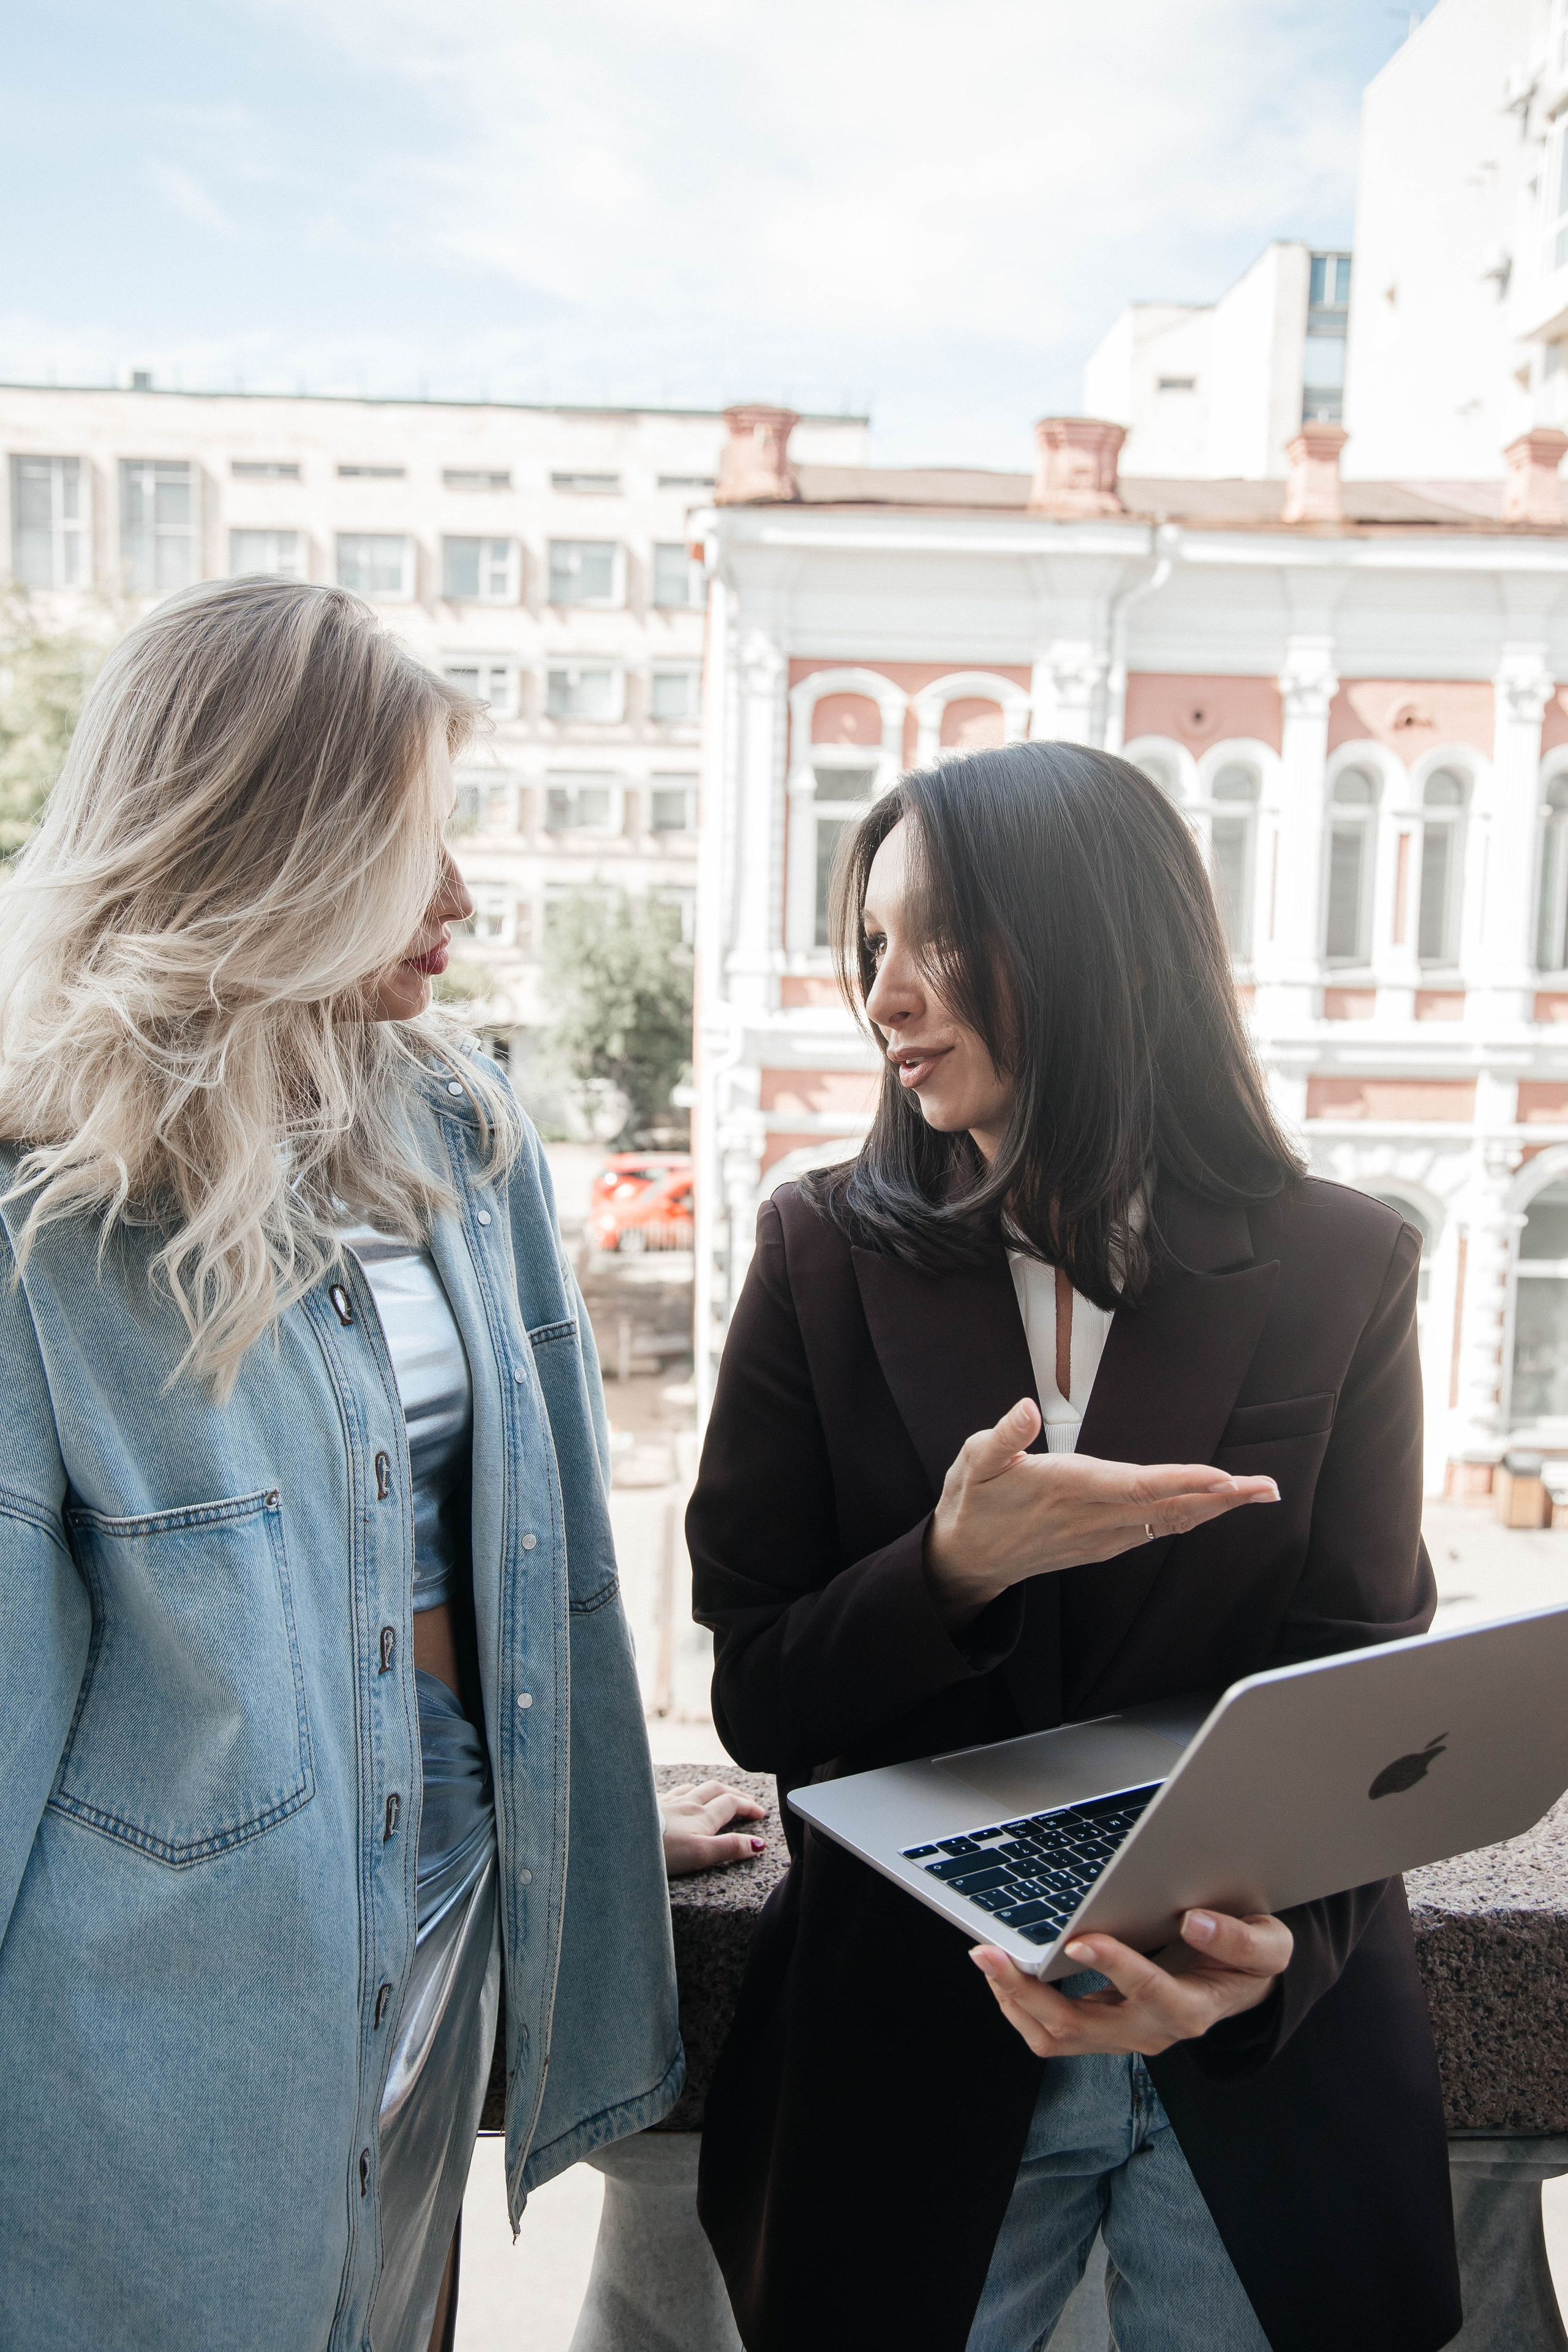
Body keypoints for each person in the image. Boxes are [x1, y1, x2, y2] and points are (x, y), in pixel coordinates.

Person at [0, 576, 761, 2352]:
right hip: (170, 2008)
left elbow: (506, 1549)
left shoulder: (463, 1141)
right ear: (270, 849)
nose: (466, 902)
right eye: (414, 847)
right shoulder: (55, 1223)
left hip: (448, 1915)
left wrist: (571, 1812)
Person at [686, 742, 1461, 2352]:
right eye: (872, 949)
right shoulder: (815, 1253)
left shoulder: (1345, 1262)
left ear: (1101, 941)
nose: (887, 997)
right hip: (916, 2058)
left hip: (1258, 2072)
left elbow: (1361, 1688)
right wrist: (950, 1569)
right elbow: (761, 1695)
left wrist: (1262, 1966)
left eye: (937, 942)